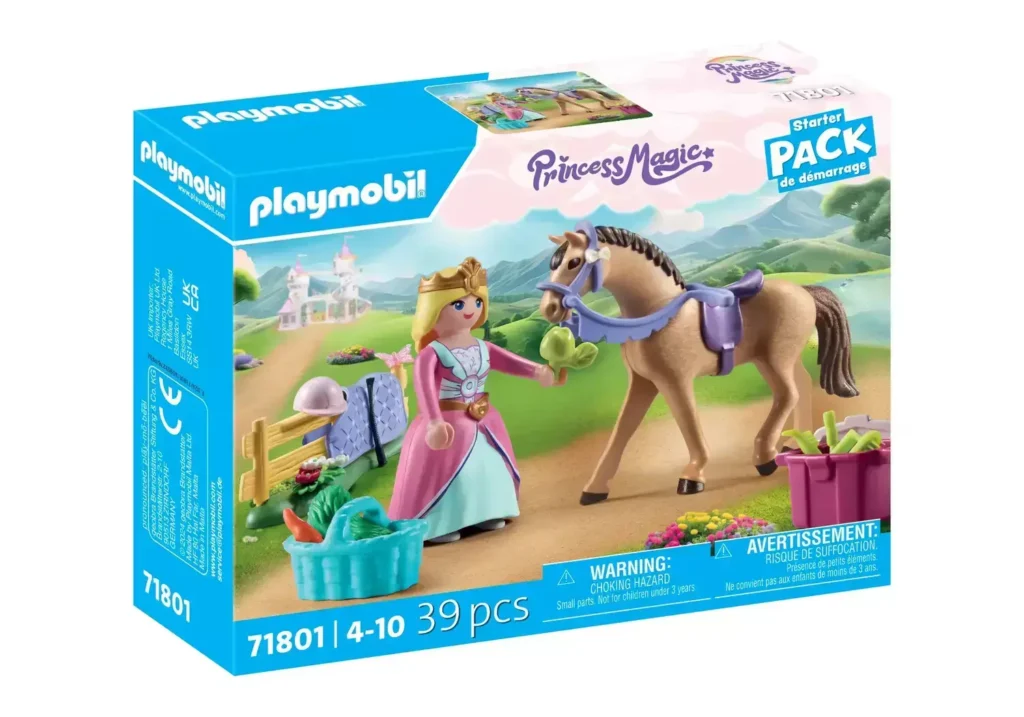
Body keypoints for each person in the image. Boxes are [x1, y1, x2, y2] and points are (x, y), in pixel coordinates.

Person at [387, 257, 556, 543]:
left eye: (477, 302)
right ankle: (439, 524)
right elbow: (424, 389)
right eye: (458, 304)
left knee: (487, 469)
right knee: (449, 475)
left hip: (483, 421)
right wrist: (434, 422)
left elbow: (510, 362)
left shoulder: (482, 347)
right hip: (447, 425)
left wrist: (537, 371)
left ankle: (487, 512)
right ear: (434, 310)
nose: (470, 309)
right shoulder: (432, 353)